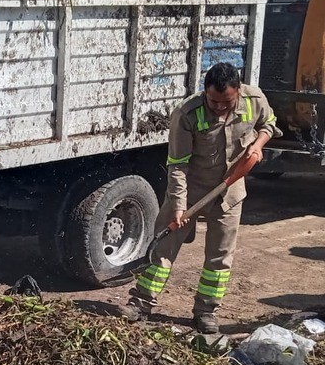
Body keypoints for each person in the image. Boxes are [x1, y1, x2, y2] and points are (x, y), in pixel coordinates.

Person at [117, 63, 280, 332]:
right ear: (205, 92)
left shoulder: (255, 100)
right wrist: (179, 208)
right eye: (213, 102)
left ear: (238, 91)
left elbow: (270, 124)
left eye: (225, 102)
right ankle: (140, 304)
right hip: (190, 192)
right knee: (163, 249)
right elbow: (177, 164)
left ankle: (206, 312)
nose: (218, 108)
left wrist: (258, 144)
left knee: (219, 258)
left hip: (230, 193)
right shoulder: (187, 113)